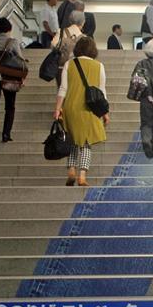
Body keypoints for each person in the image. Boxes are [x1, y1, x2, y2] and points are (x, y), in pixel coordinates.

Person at [53, 36, 109, 186]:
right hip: (90, 109)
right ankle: (82, 176)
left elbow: (63, 88)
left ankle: (71, 170)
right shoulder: (99, 66)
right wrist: (105, 112)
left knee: (72, 141)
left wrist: (58, 109)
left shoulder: (69, 64)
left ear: (77, 48)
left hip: (70, 108)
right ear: (93, 50)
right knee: (86, 143)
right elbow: (101, 91)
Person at [0, 18, 23, 150]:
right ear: (9, 29)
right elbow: (20, 61)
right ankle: (6, 134)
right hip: (9, 78)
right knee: (9, 107)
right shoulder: (13, 42)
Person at [51, 10, 85, 87]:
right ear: (83, 22)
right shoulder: (84, 38)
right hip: (78, 69)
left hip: (61, 68)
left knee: (61, 92)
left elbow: (53, 45)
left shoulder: (61, 32)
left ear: (70, 20)